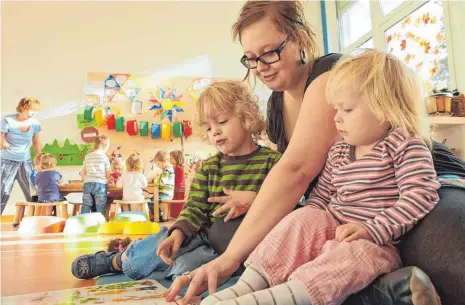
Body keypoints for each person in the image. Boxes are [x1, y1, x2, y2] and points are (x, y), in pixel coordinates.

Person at [164, 2, 465, 305]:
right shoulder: (288, 117)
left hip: (426, 191)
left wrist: (229, 259)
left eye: (269, 52)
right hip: (345, 222)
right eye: (251, 58)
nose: (261, 66)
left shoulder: (334, 77)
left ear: (300, 39)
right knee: (285, 228)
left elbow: (297, 170)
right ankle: (247, 290)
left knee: (440, 260)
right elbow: (315, 197)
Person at [202, 50, 441, 305]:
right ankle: (246, 287)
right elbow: (320, 198)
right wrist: (306, 231)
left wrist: (372, 229)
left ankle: (271, 299)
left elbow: (421, 194)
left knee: (351, 257)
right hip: (331, 232)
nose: (336, 117)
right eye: (335, 108)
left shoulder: (404, 144)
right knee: (304, 216)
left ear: (385, 109)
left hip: (375, 243)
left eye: (347, 109)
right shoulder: (339, 150)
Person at [71, 80, 281, 282]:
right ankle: (116, 261)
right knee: (164, 241)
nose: (214, 131)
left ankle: (161, 266)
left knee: (185, 271)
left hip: (239, 251)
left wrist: (256, 199)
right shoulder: (209, 167)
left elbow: (293, 204)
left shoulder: (273, 163)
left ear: (246, 117)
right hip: (204, 237)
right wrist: (179, 231)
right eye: (208, 127)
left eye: (222, 122)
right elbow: (194, 208)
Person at [1, 97, 42, 214]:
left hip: (25, 161)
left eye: (36, 111)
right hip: (7, 161)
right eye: (31, 110)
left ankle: (37, 218)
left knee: (34, 190)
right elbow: (1, 136)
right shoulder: (8, 120)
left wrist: (40, 158)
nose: (33, 113)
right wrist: (2, 141)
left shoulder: (35, 123)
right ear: (23, 107)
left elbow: (36, 142)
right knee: (3, 192)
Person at [80, 135, 111, 215]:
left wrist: (84, 179)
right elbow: (108, 172)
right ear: (104, 146)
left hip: (88, 184)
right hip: (100, 184)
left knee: (86, 205)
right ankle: (101, 223)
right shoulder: (104, 157)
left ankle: (82, 222)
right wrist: (107, 180)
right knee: (100, 205)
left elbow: (82, 172)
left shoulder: (88, 156)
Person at [170, 150, 186, 218]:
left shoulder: (179, 169)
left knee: (177, 207)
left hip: (178, 192)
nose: (169, 160)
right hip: (175, 190)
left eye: (171, 158)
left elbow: (178, 182)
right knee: (173, 207)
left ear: (177, 159)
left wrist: (172, 188)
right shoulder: (173, 168)